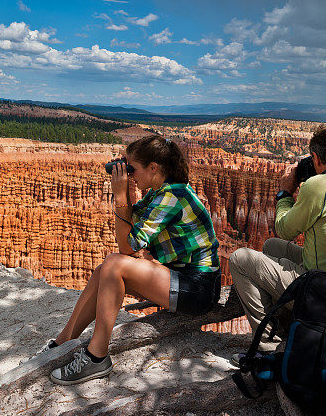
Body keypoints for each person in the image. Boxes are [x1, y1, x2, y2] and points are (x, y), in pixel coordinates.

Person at [34, 134, 221, 385]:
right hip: (182, 280)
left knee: (114, 263)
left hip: (197, 289)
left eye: (132, 168)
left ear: (153, 168)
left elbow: (127, 247)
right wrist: (123, 193)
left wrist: (120, 195)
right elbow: (132, 222)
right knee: (104, 271)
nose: (130, 174)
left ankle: (97, 357)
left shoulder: (172, 197)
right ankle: (61, 343)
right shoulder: (161, 192)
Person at [228, 125, 326, 354]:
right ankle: (290, 328)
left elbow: (284, 229)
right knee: (271, 246)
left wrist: (284, 194)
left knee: (239, 258)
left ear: (316, 157)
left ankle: (268, 349)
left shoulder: (317, 186)